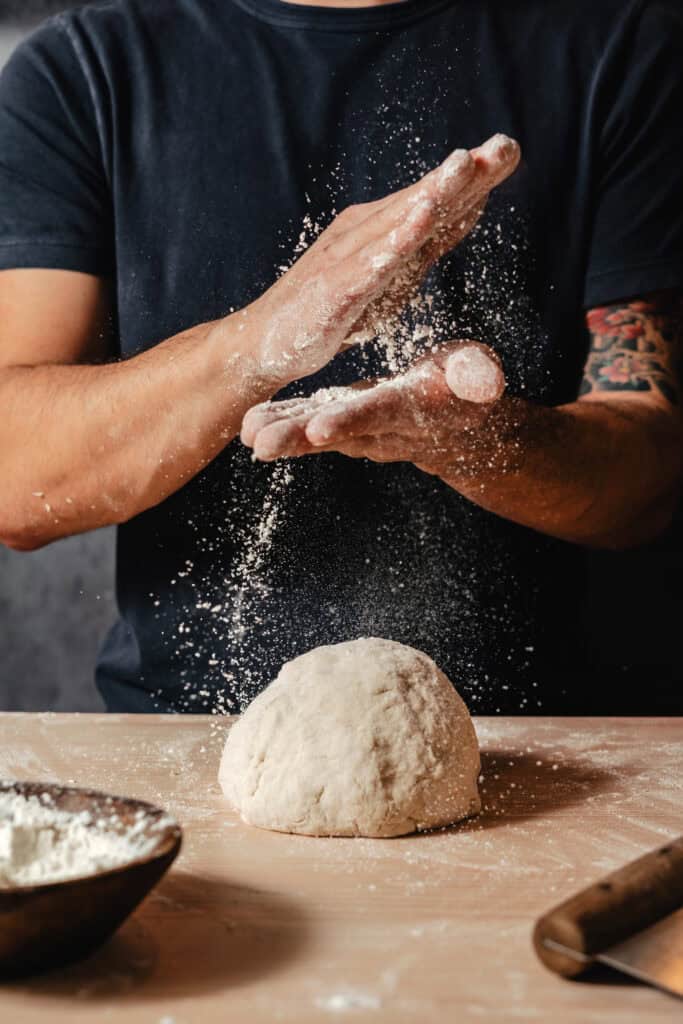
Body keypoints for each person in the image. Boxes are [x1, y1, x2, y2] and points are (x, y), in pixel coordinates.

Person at [0, 0, 681, 715]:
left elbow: (648, 484)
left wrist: (477, 442)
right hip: (185, 741)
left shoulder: (617, 47)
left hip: (571, 752)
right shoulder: (87, 68)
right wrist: (264, 337)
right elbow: (17, 481)